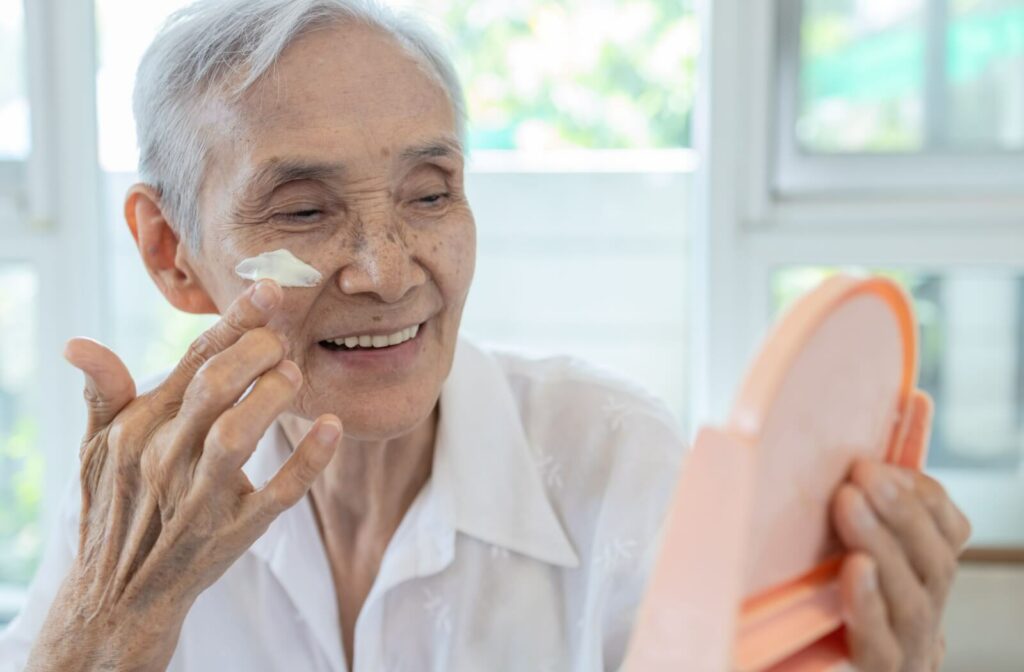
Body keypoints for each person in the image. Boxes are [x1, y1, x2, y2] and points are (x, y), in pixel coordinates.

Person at [0, 1, 970, 670]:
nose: (384, 269)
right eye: (301, 212)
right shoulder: (139, 500)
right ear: (173, 252)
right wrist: (108, 629)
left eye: (430, 194)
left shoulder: (611, 459)